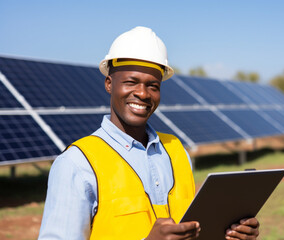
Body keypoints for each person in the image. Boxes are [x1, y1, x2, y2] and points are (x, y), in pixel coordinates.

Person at [38, 26, 260, 240]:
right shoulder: (76, 163)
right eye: (131, 82)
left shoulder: (177, 150)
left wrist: (229, 233)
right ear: (109, 84)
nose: (143, 94)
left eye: (153, 86)